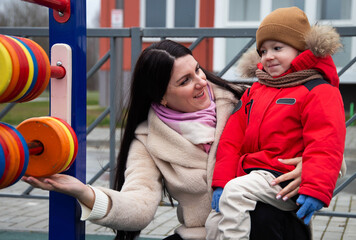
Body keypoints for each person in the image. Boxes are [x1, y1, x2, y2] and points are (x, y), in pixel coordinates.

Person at [22, 39, 306, 240]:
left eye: (197, 69)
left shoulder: (247, 101)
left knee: (263, 217)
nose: (201, 81)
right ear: (161, 97)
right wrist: (85, 193)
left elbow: (322, 141)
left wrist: (308, 167)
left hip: (272, 226)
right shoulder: (148, 139)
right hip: (202, 234)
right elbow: (140, 205)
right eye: (184, 81)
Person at [205, 7, 346, 240]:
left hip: (287, 178)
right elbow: (232, 138)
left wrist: (315, 189)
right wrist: (221, 181)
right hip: (253, 175)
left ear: (301, 49)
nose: (268, 56)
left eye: (277, 48)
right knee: (215, 220)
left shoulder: (317, 90)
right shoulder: (257, 91)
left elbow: (326, 142)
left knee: (235, 193)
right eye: (263, 50)